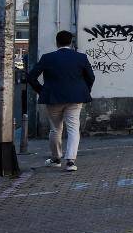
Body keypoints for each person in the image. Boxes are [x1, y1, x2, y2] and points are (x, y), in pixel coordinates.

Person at [27, 30, 97, 171]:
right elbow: (91, 77)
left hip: (53, 98)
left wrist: (42, 90)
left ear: (57, 42)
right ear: (71, 42)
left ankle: (56, 158)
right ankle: (71, 161)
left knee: (55, 129)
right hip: (75, 98)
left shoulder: (47, 58)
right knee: (73, 128)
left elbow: (31, 77)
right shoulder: (81, 57)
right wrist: (84, 91)